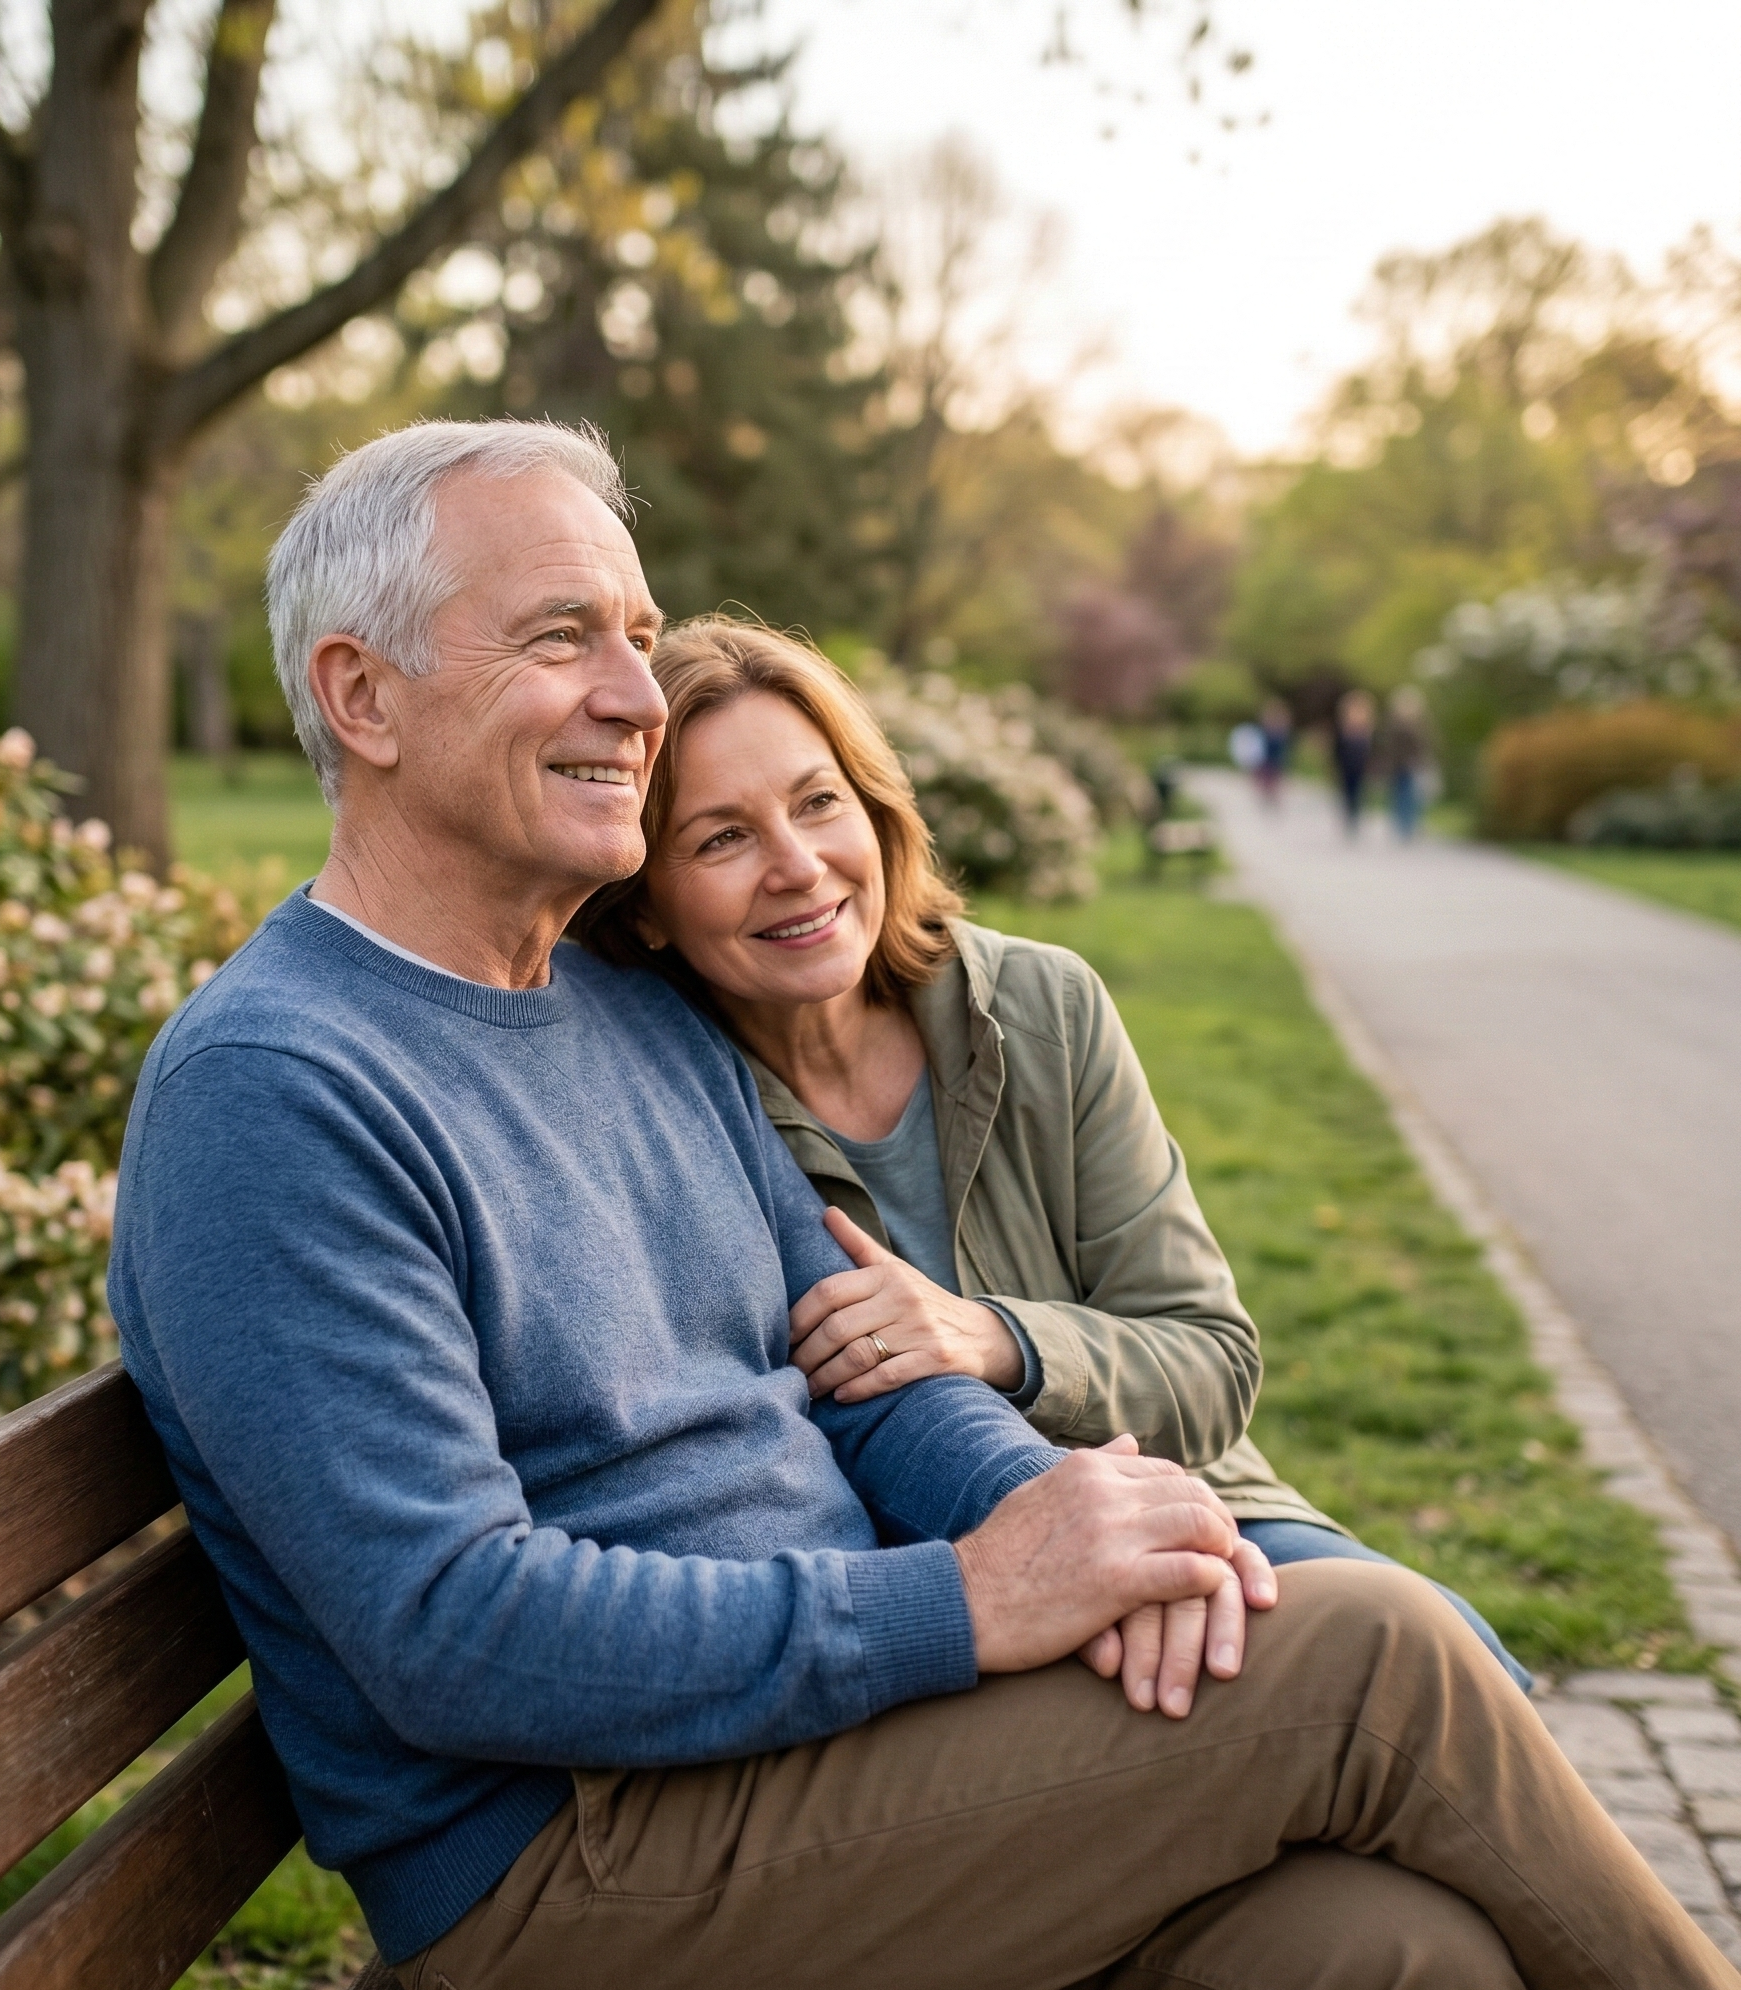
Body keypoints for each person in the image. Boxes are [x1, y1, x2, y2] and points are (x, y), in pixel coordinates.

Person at [109, 419, 1741, 1990]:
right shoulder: (281, 1089)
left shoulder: (637, 1020)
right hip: (577, 1866)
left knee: (1391, 1965)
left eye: (633, 631)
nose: (634, 692)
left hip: (821, 1764)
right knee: (1376, 1654)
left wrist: (1079, 1532)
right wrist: (965, 1598)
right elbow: (450, 1630)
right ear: (360, 694)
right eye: (561, 636)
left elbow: (874, 1372)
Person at [574, 618, 1530, 1696]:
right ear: (646, 906)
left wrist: (993, 1336)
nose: (797, 868)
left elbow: (1211, 1360)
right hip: (941, 1581)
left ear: (874, 808)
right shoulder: (659, 1100)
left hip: (1184, 1497)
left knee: (1445, 1653)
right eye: (720, 839)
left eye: (815, 801)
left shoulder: (1041, 1005)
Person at [1385, 685, 1434, 841]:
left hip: (1413, 767)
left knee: (1412, 797)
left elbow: (1424, 746)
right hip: (1398, 767)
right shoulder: (1395, 726)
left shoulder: (1420, 726)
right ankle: (1401, 825)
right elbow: (1391, 748)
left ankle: (1409, 825)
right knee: (1400, 796)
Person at [1333, 688, 1377, 833]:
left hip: (1361, 767)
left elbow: (1371, 751)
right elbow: (1337, 750)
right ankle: (1349, 816)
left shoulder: (1367, 731)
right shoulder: (1344, 731)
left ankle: (1355, 816)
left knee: (1358, 793)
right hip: (1346, 766)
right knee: (1347, 792)